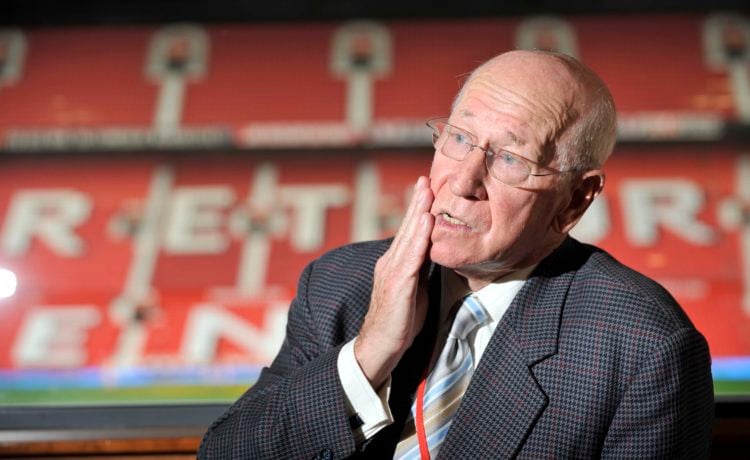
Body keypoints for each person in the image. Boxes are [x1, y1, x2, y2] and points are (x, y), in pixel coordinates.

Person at [198, 50, 714, 459]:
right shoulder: (338, 283)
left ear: (576, 198)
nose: (463, 181)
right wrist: (369, 354)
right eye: (460, 138)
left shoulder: (644, 348)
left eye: (510, 159)